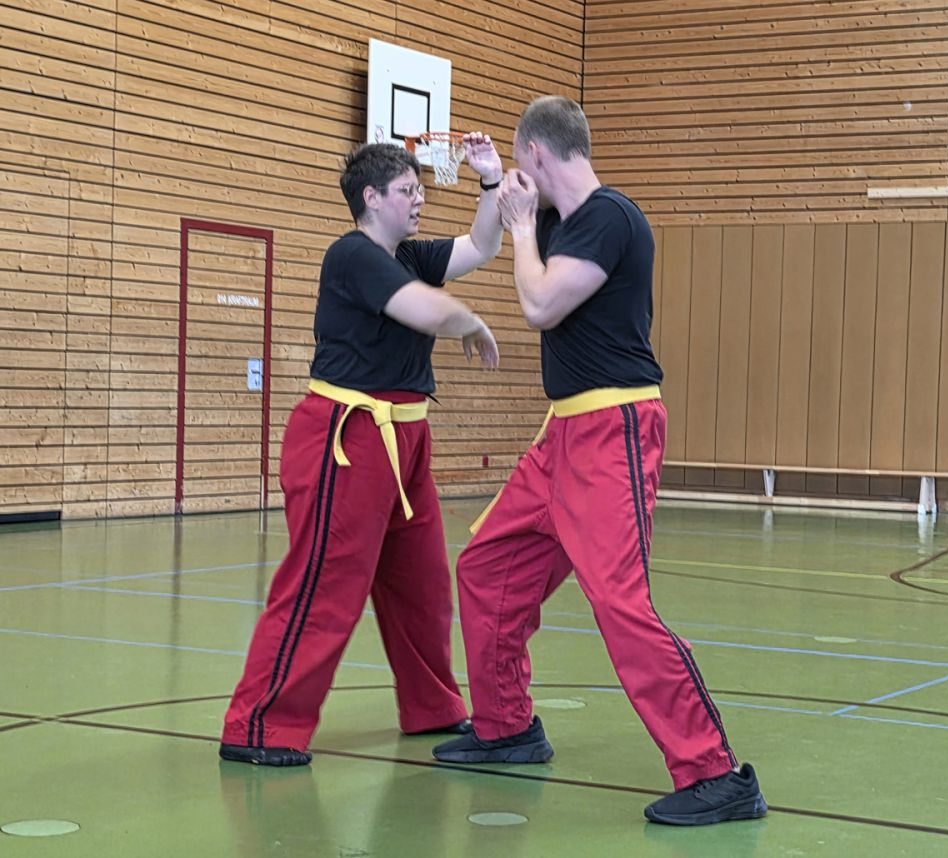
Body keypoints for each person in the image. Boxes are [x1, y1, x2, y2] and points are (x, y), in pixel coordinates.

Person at [432, 98, 767, 826]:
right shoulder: (557, 219)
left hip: (613, 428)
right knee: (487, 568)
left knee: (620, 602)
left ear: (539, 154)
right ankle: (506, 727)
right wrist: (488, 179)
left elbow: (540, 305)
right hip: (562, 432)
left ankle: (715, 772)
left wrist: (525, 227)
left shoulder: (611, 217)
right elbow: (495, 237)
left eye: (520, 161)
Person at [220, 134, 504, 766]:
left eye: (420, 190)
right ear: (371, 198)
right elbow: (424, 311)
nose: (419, 200)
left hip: (407, 436)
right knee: (325, 585)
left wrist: (489, 180)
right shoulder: (352, 254)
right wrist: (471, 320)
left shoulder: (411, 255)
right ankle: (258, 726)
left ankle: (433, 707)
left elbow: (482, 245)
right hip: (347, 436)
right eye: (407, 191)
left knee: (421, 584)